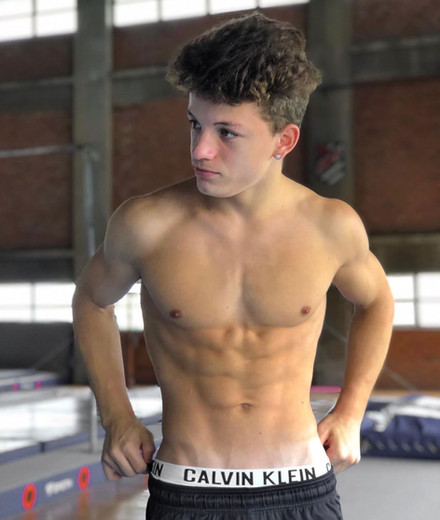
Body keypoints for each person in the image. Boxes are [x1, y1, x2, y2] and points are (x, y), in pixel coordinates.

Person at [72, 12, 394, 520]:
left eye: (226, 132)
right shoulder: (146, 225)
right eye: (195, 124)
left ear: (283, 141)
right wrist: (116, 416)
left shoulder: (330, 227)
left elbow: (376, 301)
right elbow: (92, 301)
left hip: (300, 487)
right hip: (186, 489)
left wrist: (351, 412)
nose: (201, 150)